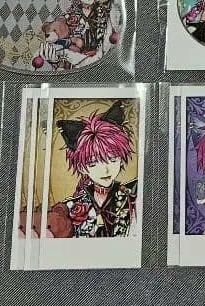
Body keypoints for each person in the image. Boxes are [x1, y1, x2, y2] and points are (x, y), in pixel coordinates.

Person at [47, 101, 137, 238]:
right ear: (82, 167)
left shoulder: (133, 195)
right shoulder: (70, 208)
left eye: (113, 159)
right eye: (94, 163)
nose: (106, 170)